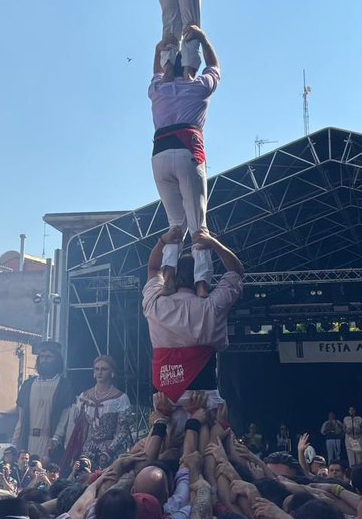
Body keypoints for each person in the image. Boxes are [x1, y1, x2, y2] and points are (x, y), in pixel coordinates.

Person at [143, 228, 243, 423]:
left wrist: (163, 241)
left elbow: (153, 269)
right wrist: (213, 243)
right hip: (204, 392)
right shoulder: (210, 306)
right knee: (209, 448)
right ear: (202, 276)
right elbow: (237, 272)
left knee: (167, 447)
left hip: (166, 393)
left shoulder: (155, 303)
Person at [149, 25, 221, 292]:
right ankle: (202, 282)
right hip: (188, 149)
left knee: (174, 223)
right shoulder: (200, 87)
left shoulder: (157, 90)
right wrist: (202, 38)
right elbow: (216, 68)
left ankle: (168, 276)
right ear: (194, 65)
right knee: (197, 223)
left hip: (160, 154)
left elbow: (157, 71)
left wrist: (160, 49)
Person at [54, 354, 132, 471]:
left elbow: (122, 431)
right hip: (88, 449)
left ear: (112, 373)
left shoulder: (120, 398)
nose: (99, 372)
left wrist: (108, 451)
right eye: (97, 369)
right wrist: (77, 450)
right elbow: (81, 429)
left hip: (111, 450)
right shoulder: (84, 396)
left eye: (104, 369)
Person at [11, 340, 72, 463]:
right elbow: (21, 419)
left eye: (49, 357)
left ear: (57, 359)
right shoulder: (28, 385)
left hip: (50, 442)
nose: (44, 360)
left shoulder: (64, 385)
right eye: (42, 357)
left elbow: (65, 418)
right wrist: (14, 443)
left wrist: (56, 438)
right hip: (28, 440)